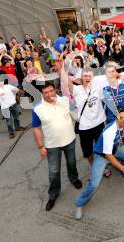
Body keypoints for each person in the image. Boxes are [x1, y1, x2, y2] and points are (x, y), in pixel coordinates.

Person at [74, 108, 124, 220]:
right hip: (102, 155)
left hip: (115, 148)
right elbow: (108, 156)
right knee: (94, 184)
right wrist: (123, 169)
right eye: (121, 117)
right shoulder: (110, 131)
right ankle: (79, 204)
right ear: (115, 118)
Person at [32, 83, 82, 211]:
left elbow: (76, 114)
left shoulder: (65, 100)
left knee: (71, 162)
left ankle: (74, 178)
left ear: (55, 90)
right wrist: (41, 146)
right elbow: (36, 129)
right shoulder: (38, 108)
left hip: (69, 139)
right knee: (53, 171)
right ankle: (53, 194)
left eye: (51, 91)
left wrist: (62, 103)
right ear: (42, 94)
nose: (49, 95)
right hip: (52, 145)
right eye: (46, 93)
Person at [71, 68, 106, 165]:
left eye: (90, 76)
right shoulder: (77, 90)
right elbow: (66, 81)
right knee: (88, 151)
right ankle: (94, 166)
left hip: (99, 124)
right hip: (84, 127)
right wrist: (64, 65)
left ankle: (103, 165)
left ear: (93, 77)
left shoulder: (98, 88)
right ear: (81, 78)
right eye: (85, 76)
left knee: (102, 147)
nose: (87, 78)